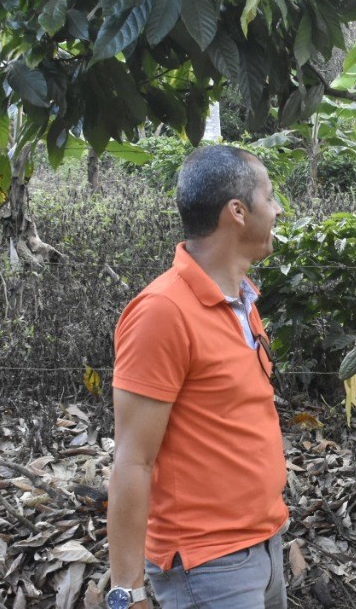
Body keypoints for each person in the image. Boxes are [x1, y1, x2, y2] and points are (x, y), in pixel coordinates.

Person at [107, 145, 287, 609]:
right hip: (208, 567)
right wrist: (126, 591)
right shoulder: (163, 313)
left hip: (261, 548)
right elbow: (132, 460)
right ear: (238, 212)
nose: (279, 209)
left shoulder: (242, 300)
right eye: (270, 197)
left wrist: (273, 535)